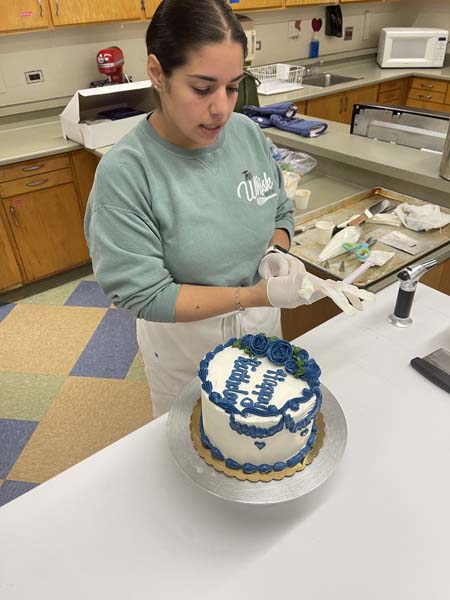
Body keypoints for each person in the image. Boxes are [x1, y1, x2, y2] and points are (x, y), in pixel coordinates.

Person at [84, 0, 372, 418]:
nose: (221, 108)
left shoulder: (245, 135)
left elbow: (279, 210)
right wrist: (255, 295)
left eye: (233, 87)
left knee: (261, 433)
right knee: (196, 442)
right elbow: (143, 292)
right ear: (157, 72)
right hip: (187, 349)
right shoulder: (127, 173)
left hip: (261, 332)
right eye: (202, 89)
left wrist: (276, 250)